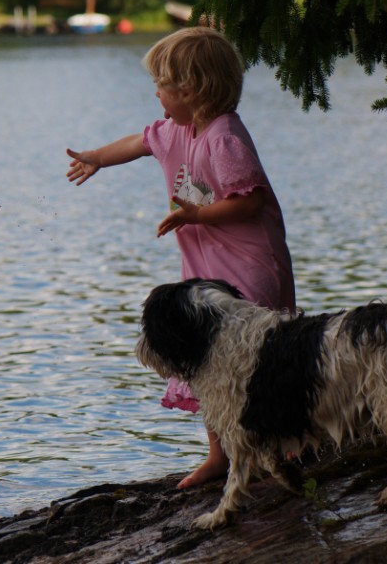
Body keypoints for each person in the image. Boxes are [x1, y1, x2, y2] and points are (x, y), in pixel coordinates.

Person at [66, 26, 295, 488]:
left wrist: (198, 214)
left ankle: (282, 443)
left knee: (258, 354)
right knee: (205, 355)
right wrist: (95, 157)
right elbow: (138, 142)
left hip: (249, 265)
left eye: (161, 86)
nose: (155, 94)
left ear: (190, 90)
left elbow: (250, 201)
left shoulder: (224, 137)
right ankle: (218, 454)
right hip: (204, 268)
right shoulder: (176, 130)